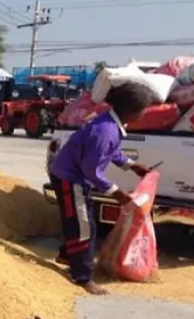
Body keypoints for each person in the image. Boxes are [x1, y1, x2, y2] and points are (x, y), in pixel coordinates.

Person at [48, 82, 153, 295]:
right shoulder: (106, 130)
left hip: (75, 177)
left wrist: (132, 166)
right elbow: (92, 170)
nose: (145, 112)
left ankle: (67, 256)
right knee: (83, 227)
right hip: (71, 179)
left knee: (81, 222)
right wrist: (116, 193)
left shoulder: (110, 124)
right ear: (132, 110)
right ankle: (82, 277)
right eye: (144, 108)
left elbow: (111, 152)